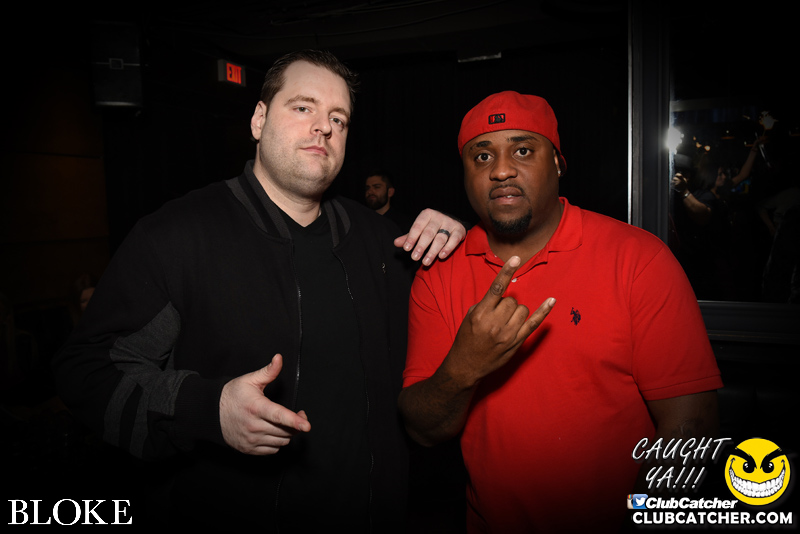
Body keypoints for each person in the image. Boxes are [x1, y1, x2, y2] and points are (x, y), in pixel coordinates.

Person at [52, 49, 466, 531]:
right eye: (303, 107)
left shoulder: (382, 242)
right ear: (258, 119)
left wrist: (459, 243)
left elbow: (447, 357)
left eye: (339, 119)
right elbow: (87, 371)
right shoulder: (179, 236)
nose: (324, 127)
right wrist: (207, 410)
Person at [398, 91, 723, 533]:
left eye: (523, 150)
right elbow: (422, 429)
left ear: (557, 163)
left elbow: (692, 424)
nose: (501, 170)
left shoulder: (637, 259)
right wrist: (463, 368)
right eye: (482, 156)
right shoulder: (439, 272)